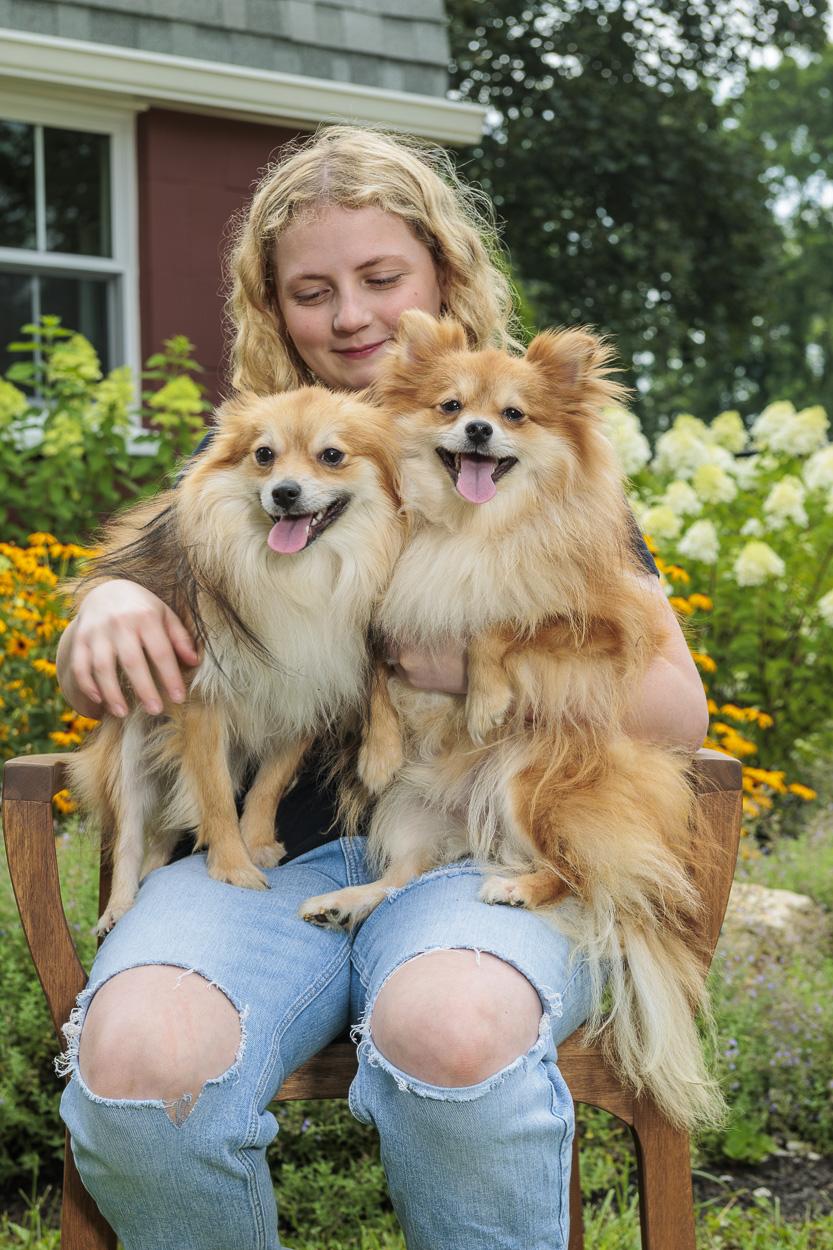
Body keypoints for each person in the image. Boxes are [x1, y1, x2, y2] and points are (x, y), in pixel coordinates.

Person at [56, 126, 709, 1250]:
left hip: (470, 847)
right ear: (274, 309)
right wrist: (103, 606)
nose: (348, 314)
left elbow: (674, 713)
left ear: (440, 280)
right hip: (257, 857)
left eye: (379, 278)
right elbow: (121, 613)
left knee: (455, 1032)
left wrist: (475, 670)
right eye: (311, 290)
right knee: (135, 1069)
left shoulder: (512, 470)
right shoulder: (266, 457)